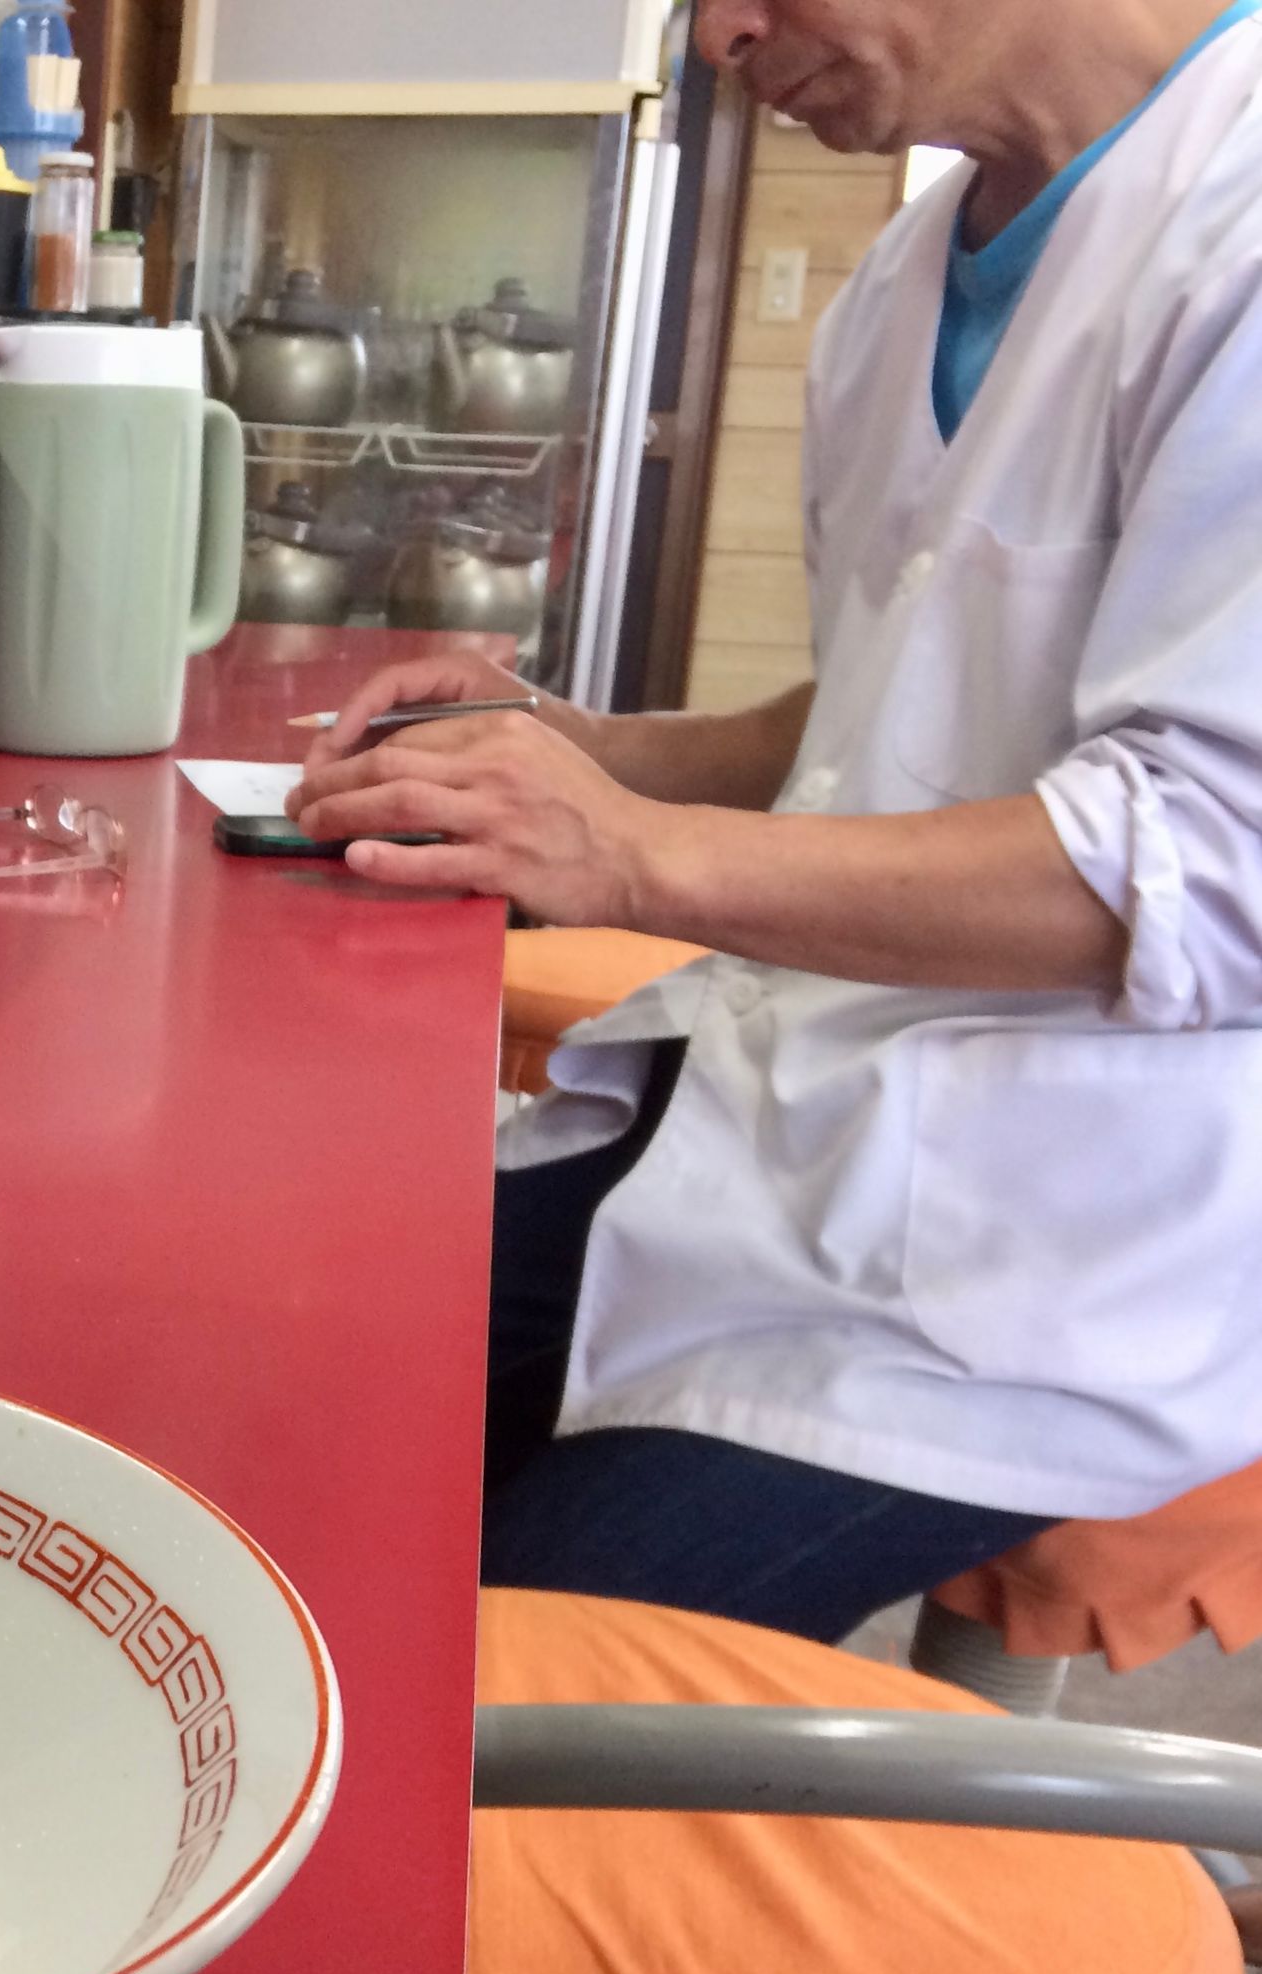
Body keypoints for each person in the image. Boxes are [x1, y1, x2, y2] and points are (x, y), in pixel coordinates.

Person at [291, 0, 1262, 1641]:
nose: (721, 33)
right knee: (284, 1434)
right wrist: (588, 748)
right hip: (763, 1116)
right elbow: (899, 713)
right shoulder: (902, 283)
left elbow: (1209, 870)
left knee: (467, 1701)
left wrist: (626, 849)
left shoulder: (1229, 229)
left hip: (1039, 1272)